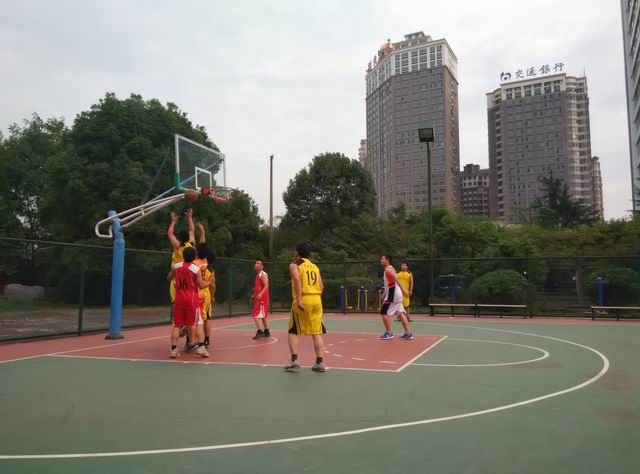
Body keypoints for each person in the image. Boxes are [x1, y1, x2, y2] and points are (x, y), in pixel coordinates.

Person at [285, 242, 326, 372]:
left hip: (304, 298)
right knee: (317, 332)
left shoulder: (295, 265)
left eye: (294, 251)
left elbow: (297, 280)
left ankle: (294, 360)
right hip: (317, 299)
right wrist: (316, 297)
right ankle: (319, 362)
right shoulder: (314, 266)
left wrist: (299, 299)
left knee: (293, 330)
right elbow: (321, 286)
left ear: (297, 252)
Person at [167, 247, 212, 358]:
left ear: (183, 256)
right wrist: (209, 282)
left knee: (176, 325)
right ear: (194, 257)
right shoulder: (195, 269)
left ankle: (173, 349)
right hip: (191, 300)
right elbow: (201, 285)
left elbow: (169, 278)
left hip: (178, 299)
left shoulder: (176, 266)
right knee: (198, 323)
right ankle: (201, 347)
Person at [379, 255, 413, 340]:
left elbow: (396, 279)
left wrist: (403, 290)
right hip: (396, 294)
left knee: (383, 312)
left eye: (383, 259)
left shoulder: (388, 269)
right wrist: (384, 293)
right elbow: (389, 284)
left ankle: (389, 333)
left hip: (393, 295)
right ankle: (408, 333)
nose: (381, 260)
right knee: (400, 313)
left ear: (387, 260)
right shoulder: (390, 269)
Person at [194, 243, 216, 349]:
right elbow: (213, 286)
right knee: (206, 318)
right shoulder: (209, 269)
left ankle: (192, 341)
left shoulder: (194, 264)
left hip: (195, 293)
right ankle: (205, 340)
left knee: (196, 319)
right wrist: (212, 296)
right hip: (205, 294)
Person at [251, 259, 271, 339]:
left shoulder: (263, 275)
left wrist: (260, 294)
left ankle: (260, 331)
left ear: (262, 266)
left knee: (255, 314)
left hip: (262, 299)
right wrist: (254, 295)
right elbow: (259, 287)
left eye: (258, 263)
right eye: (255, 263)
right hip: (259, 298)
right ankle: (267, 331)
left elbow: (266, 286)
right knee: (263, 316)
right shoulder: (257, 275)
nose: (255, 264)